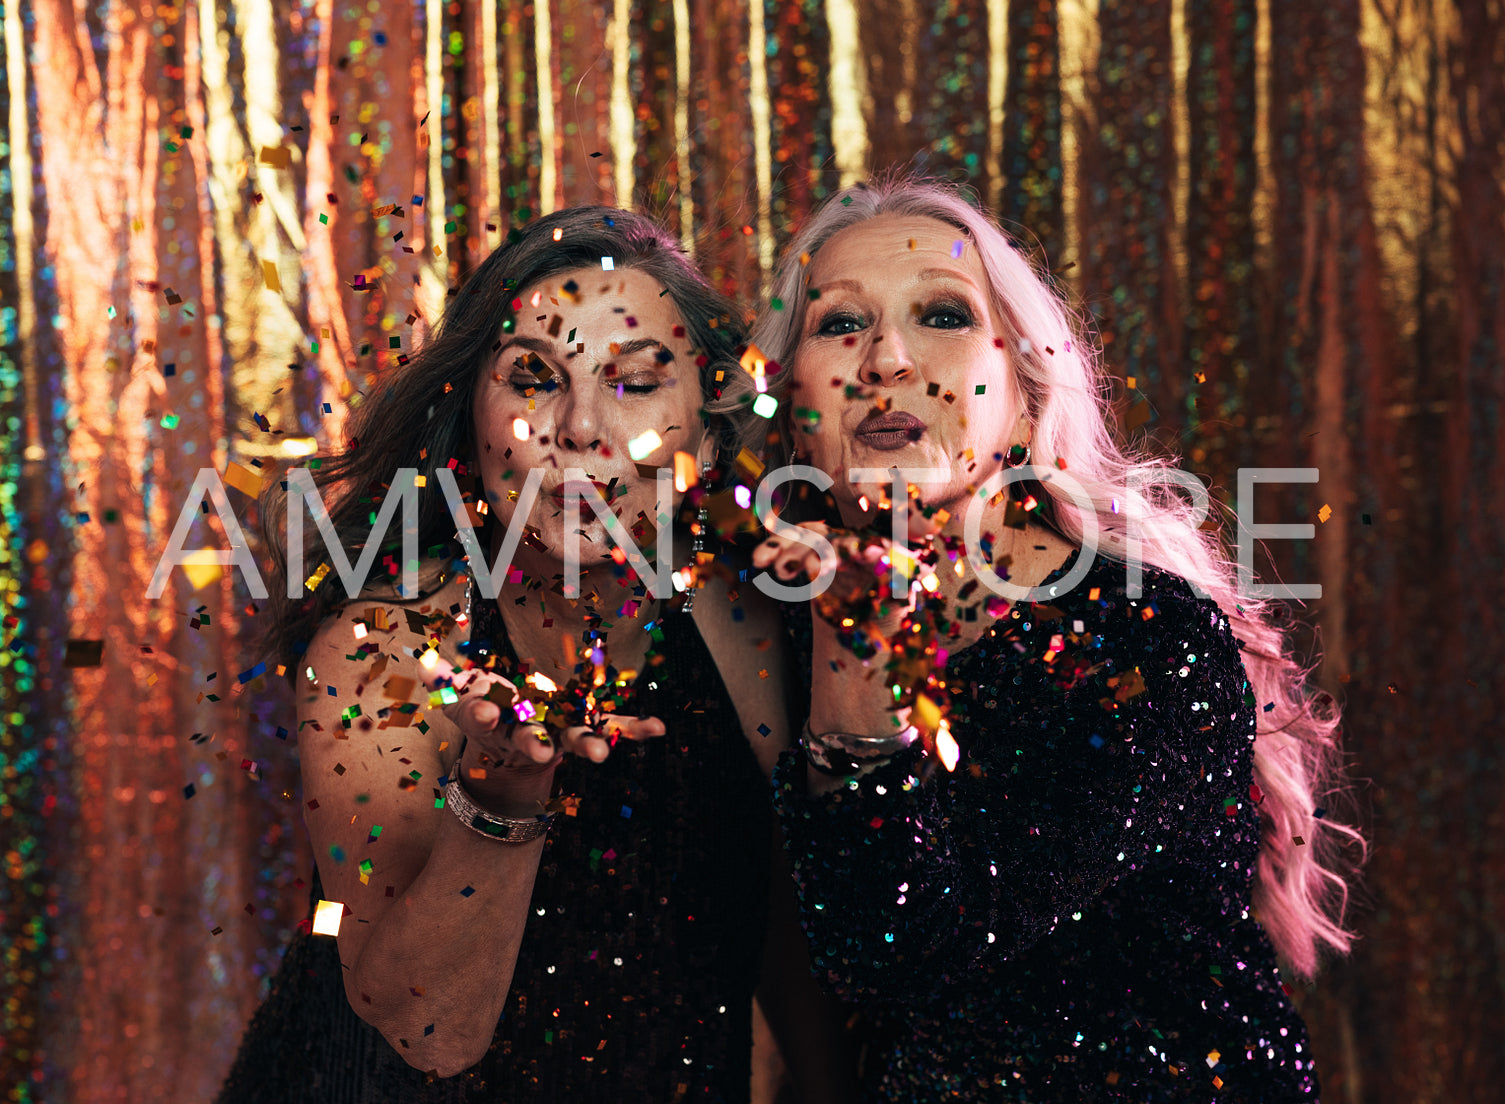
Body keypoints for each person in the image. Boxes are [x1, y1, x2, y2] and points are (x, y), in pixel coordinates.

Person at [218, 206, 854, 1102]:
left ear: (705, 434)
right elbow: (429, 1031)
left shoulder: (742, 615)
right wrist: (501, 789)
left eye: (634, 380)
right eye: (533, 377)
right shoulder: (379, 649)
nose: (581, 427)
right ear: (471, 415)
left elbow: (781, 924)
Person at [748, 176, 1364, 1102]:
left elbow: (904, 949)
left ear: (1028, 404)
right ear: (788, 400)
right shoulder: (757, 624)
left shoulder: (1143, 638)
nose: (885, 358)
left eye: (943, 316)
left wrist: (855, 674)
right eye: (839, 325)